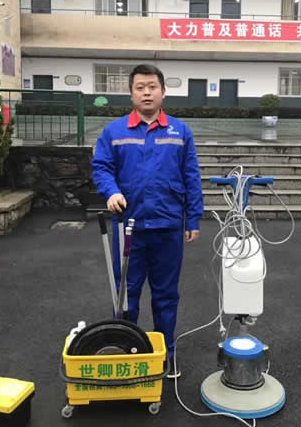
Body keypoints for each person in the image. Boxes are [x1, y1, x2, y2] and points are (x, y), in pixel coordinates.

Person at [92, 64, 204, 378]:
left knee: (166, 294)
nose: (146, 93)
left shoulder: (180, 132)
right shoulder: (114, 132)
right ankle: (125, 352)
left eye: (152, 87)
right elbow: (101, 167)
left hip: (168, 226)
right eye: (140, 87)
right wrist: (111, 191)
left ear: (163, 92)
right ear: (131, 94)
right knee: (126, 294)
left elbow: (191, 176)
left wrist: (193, 218)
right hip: (128, 226)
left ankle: (166, 354)